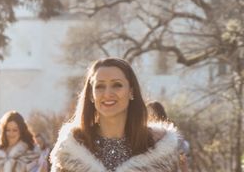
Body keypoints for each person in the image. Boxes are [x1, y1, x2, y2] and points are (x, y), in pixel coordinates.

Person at [51, 57, 181, 172]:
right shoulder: (71, 148)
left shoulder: (159, 147)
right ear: (91, 94)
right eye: (100, 86)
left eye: (117, 85)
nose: (107, 93)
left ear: (131, 91)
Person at [147, 101, 190, 172]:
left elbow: (182, 158)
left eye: (150, 114)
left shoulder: (171, 133)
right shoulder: (146, 134)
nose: (148, 117)